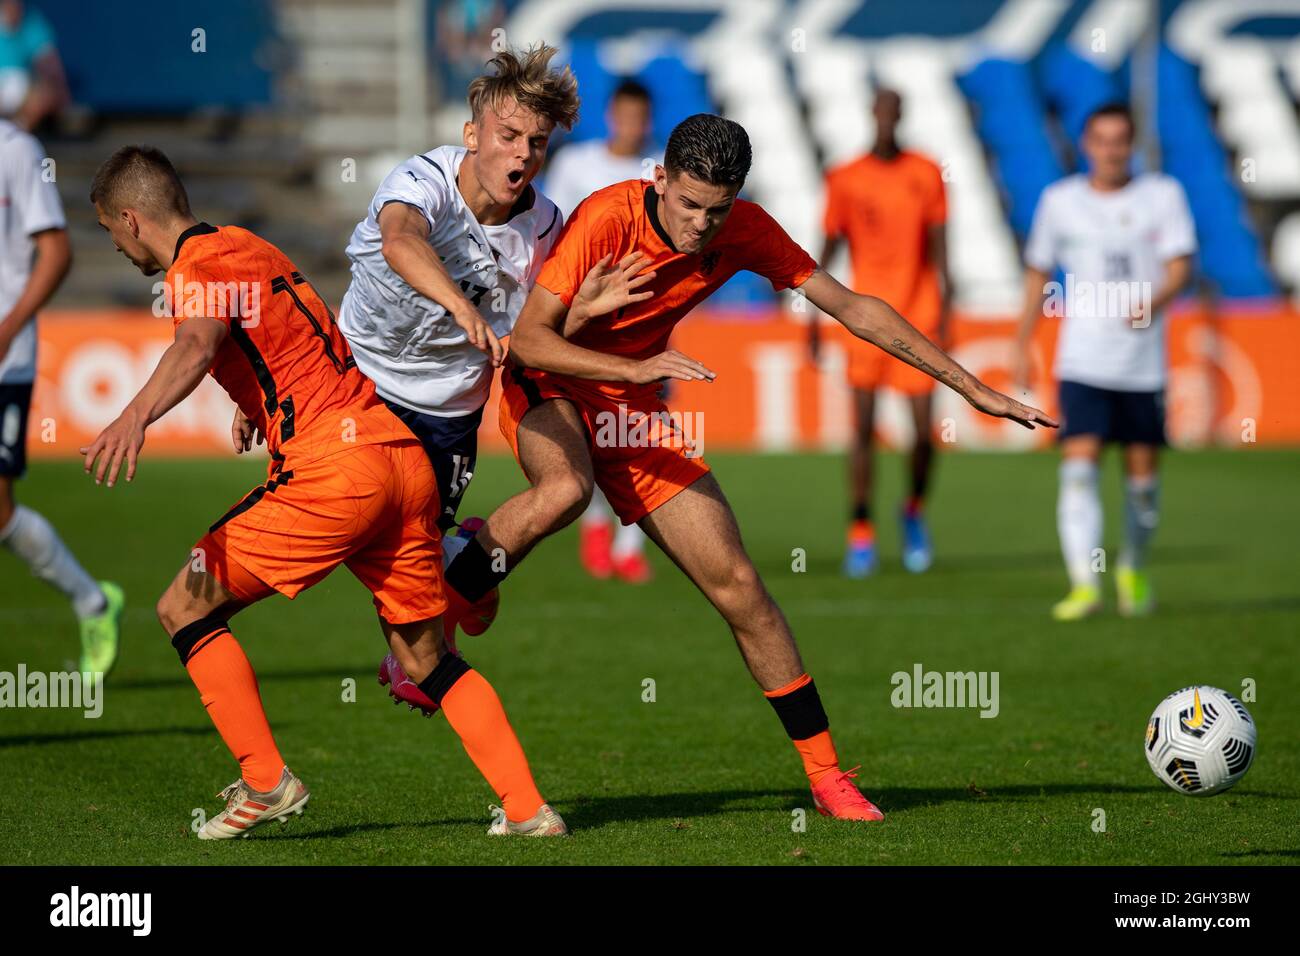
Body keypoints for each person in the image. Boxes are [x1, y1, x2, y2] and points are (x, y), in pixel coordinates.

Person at [442, 113, 1056, 821]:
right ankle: (430, 635)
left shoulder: (747, 229)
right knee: (566, 489)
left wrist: (971, 387)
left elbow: (852, 306)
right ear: (661, 178)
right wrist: (631, 364)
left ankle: (827, 778)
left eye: (718, 209)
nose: (703, 225)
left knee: (739, 585)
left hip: (630, 402)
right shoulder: (607, 217)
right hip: (550, 383)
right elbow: (527, 343)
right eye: (689, 205)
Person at [85, 145, 565, 839]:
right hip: (400, 458)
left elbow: (195, 343)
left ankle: (264, 781)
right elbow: (294, 333)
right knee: (427, 659)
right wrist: (259, 398)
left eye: (109, 230)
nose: (118, 243)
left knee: (181, 609)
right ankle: (529, 810)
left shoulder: (193, 269)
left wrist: (134, 416)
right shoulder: (246, 244)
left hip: (334, 473)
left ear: (130, 220)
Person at [338, 44, 651, 659]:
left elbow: (540, 325)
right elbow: (400, 241)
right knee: (344, 535)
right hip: (355, 382)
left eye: (536, 143)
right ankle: (459, 564)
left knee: (414, 633)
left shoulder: (546, 227)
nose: (522, 154)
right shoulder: (420, 181)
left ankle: (462, 566)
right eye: (508, 135)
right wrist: (461, 306)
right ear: (471, 132)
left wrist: (584, 308)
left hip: (448, 413)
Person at [1015, 102, 1195, 621]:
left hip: (1142, 364)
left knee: (1142, 483)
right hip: (1082, 361)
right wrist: (1021, 339)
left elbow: (1181, 268)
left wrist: (1152, 305)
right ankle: (1084, 585)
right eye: (1102, 140)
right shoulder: (1060, 201)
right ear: (1086, 144)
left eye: (1121, 140)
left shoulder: (1162, 196)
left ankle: (1133, 567)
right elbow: (1037, 271)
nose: (1111, 150)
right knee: (1078, 469)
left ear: (1131, 145)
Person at [0, 116, 122, 675]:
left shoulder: (17, 150)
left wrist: (9, 327)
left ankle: (91, 600)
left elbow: (56, 251)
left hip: (6, 358)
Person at [812, 88, 950, 578]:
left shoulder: (926, 173)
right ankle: (861, 529)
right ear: (873, 114)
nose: (888, 118)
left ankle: (912, 508)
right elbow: (824, 252)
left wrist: (946, 314)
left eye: (895, 110)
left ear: (902, 114)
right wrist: (812, 316)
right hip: (864, 320)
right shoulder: (846, 178)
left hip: (919, 315)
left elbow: (940, 250)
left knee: (923, 436)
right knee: (863, 430)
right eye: (882, 110)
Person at [544, 77, 660, 583]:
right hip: (584, 316)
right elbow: (551, 231)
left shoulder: (659, 171)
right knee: (590, 431)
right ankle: (595, 524)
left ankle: (630, 544)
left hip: (645, 318)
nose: (632, 126)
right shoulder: (576, 165)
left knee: (646, 432)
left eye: (640, 117)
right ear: (612, 115)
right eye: (625, 115)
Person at [0, 0, 69, 130]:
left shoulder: (32, 20)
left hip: (25, 85)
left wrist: (59, 87)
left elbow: (48, 60)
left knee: (46, 93)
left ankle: (15, 133)